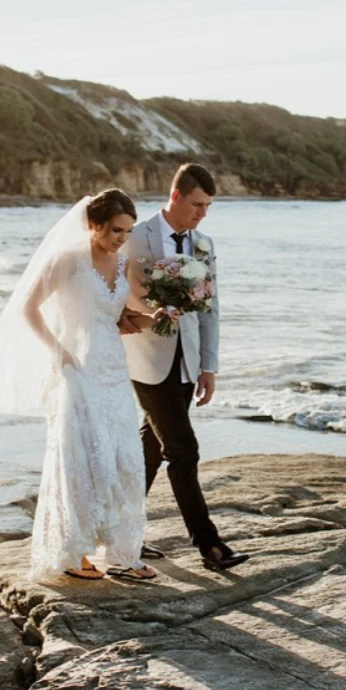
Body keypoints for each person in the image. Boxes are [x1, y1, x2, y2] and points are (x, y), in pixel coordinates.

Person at [0, 189, 157, 582]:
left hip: (113, 370)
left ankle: (123, 552)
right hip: (77, 370)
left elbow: (119, 318)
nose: (120, 238)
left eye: (127, 231)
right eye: (115, 229)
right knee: (79, 460)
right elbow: (27, 308)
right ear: (94, 224)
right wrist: (58, 351)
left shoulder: (124, 260)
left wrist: (158, 319)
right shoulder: (69, 259)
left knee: (124, 458)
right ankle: (72, 552)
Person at [121, 163, 250, 572]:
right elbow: (111, 286)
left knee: (151, 449)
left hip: (187, 362)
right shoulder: (135, 236)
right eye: (197, 204)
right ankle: (209, 545)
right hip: (144, 358)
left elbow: (211, 308)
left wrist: (209, 367)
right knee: (183, 451)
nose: (202, 213)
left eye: (208, 206)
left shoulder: (204, 244)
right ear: (176, 196)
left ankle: (123, 535)